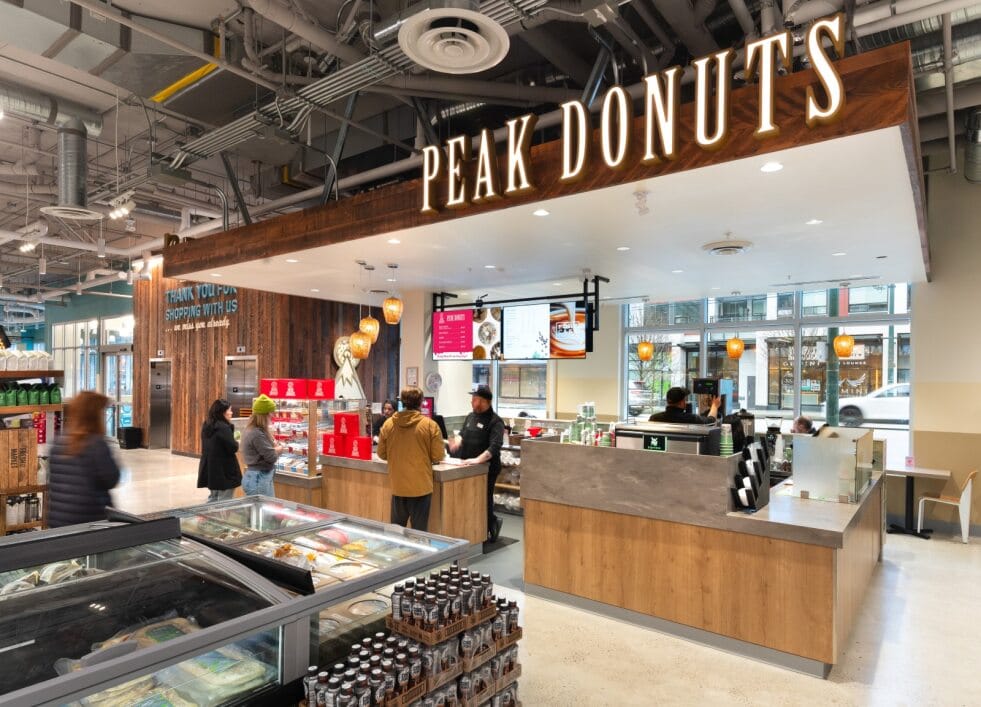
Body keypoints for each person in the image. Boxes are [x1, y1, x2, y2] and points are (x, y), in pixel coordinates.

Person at [48, 391, 121, 527]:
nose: (104, 416)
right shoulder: (96, 444)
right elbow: (112, 479)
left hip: (59, 519)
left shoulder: (58, 441)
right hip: (91, 520)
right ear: (94, 416)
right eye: (102, 413)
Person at [377, 386, 445, 531]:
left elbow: (381, 454)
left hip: (398, 486)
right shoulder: (430, 425)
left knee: (396, 532)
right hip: (421, 487)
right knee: (419, 534)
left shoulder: (388, 424)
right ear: (421, 402)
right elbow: (438, 456)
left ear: (402, 402)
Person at [448, 385, 505, 542]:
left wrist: (477, 460)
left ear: (485, 402)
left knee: (483, 499)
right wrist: (457, 441)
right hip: (469, 467)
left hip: (487, 468)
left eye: (475, 399)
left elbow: (494, 446)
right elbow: (461, 434)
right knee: (471, 498)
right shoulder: (470, 417)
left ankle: (489, 526)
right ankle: (474, 528)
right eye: (472, 399)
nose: (472, 402)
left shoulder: (496, 421)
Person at [197, 398, 241, 502]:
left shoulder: (207, 425)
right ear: (223, 412)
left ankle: (210, 513)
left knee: (213, 498)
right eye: (230, 410)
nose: (231, 412)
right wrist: (237, 442)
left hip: (211, 469)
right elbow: (232, 447)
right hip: (224, 471)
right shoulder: (224, 427)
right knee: (224, 501)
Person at [240, 394, 283, 496]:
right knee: (263, 506)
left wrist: (273, 447)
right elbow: (271, 457)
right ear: (264, 415)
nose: (272, 416)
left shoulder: (252, 429)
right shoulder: (257, 433)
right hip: (258, 479)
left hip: (257, 477)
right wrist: (279, 448)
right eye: (271, 413)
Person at [649, 386, 721, 424]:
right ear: (682, 402)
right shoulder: (690, 418)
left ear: (668, 401)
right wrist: (714, 406)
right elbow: (710, 421)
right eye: (685, 400)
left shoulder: (654, 418)